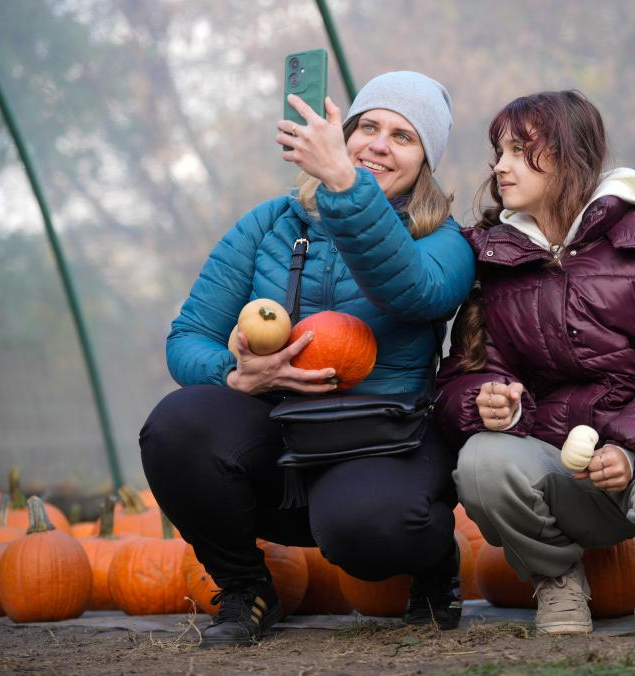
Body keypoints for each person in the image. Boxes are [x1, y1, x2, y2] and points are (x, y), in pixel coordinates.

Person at [140, 71, 475, 647]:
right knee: (177, 424)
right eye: (367, 126)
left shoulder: (443, 239)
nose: (378, 144)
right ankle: (247, 589)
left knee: (371, 531)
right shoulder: (271, 223)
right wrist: (236, 374)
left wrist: (347, 190)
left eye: (403, 136)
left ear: (426, 161)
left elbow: (413, 292)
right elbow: (188, 336)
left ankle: (433, 559)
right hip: (281, 433)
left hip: (383, 438)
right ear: (343, 135)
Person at [435, 91, 635, 634]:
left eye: (518, 150)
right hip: (560, 469)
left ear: (567, 156)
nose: (499, 166)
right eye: (498, 151)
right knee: (482, 463)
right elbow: (464, 374)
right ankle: (557, 582)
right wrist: (490, 402)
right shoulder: (497, 261)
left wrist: (630, 447)